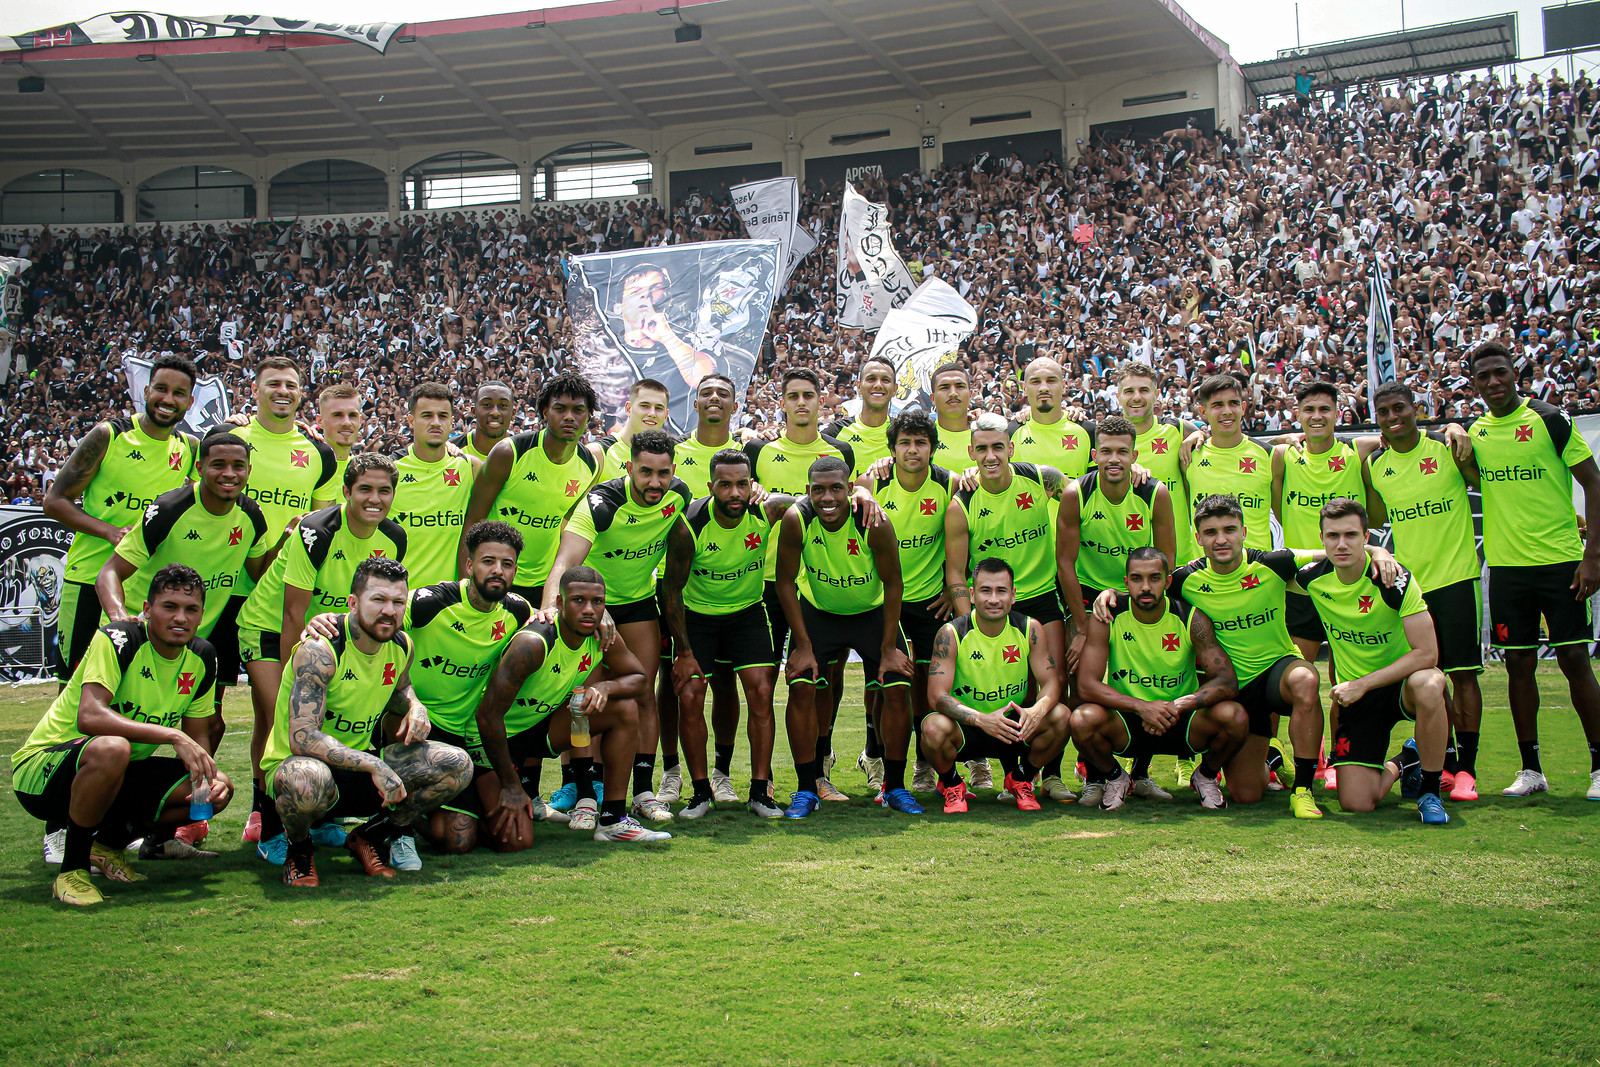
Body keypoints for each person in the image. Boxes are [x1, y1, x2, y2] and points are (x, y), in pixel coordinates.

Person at [10, 564, 233, 905]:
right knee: (113, 748)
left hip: (116, 772)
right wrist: (171, 735)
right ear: (147, 610)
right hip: (43, 772)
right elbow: (89, 715)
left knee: (219, 787)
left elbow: (198, 736)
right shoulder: (118, 639)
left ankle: (108, 847)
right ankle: (72, 872)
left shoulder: (202, 656)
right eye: (169, 607)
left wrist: (207, 781)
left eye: (191, 609)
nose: (180, 618)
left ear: (201, 615)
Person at [261, 557, 474, 887]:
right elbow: (302, 737)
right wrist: (374, 764)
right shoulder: (321, 650)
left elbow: (400, 688)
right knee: (305, 779)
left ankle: (370, 836)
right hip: (304, 768)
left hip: (361, 770)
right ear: (353, 602)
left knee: (457, 765)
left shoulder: (401, 644)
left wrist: (415, 706)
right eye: (378, 599)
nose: (389, 610)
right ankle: (299, 849)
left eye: (398, 602)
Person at [238, 453, 407, 864]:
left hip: (327, 633)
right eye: (364, 489)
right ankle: (268, 822)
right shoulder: (317, 530)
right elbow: (292, 613)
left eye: (384, 490)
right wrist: (292, 682)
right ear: (346, 491)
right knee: (279, 719)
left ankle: (319, 815)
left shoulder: (394, 537)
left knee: (321, 725)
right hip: (270, 627)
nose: (374, 498)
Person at [1463, 340, 1600, 800]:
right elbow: (1476, 476)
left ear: (1514, 373)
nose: (1493, 382)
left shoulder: (1550, 419)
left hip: (1561, 562)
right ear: (1474, 384)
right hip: (1507, 569)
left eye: (1500, 372)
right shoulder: (1477, 432)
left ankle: (1599, 767)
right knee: (1518, 665)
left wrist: (1593, 556)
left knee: (1574, 660)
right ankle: (1531, 769)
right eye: (1483, 376)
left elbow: (1594, 483)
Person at [543, 428, 691, 824]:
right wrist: (552, 609)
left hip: (639, 604)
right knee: (584, 701)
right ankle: (586, 797)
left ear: (673, 470)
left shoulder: (679, 495)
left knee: (643, 694)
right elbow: (565, 563)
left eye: (663, 473)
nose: (655, 482)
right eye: (646, 472)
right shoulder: (601, 503)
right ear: (629, 468)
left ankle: (643, 793)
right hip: (591, 609)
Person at [229, 356, 339, 844]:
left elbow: (320, 525)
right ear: (254, 390)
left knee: (280, 713)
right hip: (230, 590)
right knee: (221, 715)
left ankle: (273, 811)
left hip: (286, 591)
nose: (282, 391)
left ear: (301, 393)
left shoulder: (317, 453)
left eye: (291, 385)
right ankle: (201, 813)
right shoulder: (232, 439)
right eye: (272, 383)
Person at [475, 565, 668, 842]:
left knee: (624, 708)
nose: (589, 610)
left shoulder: (602, 636)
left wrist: (604, 687)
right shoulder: (534, 642)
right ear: (560, 602)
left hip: (540, 729)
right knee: (512, 840)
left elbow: (639, 678)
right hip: (495, 741)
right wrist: (510, 785)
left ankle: (613, 821)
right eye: (578, 600)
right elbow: (487, 716)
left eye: (597, 602)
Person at [775, 456, 920, 817]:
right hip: (820, 613)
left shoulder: (873, 521)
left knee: (897, 686)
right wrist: (802, 645)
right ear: (808, 490)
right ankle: (806, 789)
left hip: (870, 614)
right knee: (801, 686)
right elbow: (785, 582)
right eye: (819, 489)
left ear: (850, 488)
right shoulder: (797, 519)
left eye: (836, 488)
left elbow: (893, 583)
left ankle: (894, 787)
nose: (828, 497)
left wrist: (888, 648)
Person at [744, 368, 863, 800]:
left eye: (808, 395)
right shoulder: (757, 449)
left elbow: (853, 497)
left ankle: (818, 772)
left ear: (820, 401)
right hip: (764, 583)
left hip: (814, 587)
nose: (801, 403)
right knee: (763, 686)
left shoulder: (839, 450)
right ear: (781, 402)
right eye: (792, 395)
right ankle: (763, 779)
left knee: (820, 680)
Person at [45, 352, 197, 686]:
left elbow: (231, 462)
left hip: (146, 589)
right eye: (161, 389)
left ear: (189, 402)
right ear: (146, 391)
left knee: (130, 687)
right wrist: (111, 532)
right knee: (73, 685)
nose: (168, 399)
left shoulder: (189, 448)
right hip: (89, 577)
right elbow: (54, 502)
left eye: (178, 393)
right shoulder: (110, 435)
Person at [1365, 381, 1485, 801]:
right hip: (1412, 590)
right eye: (1384, 412)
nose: (1393, 417)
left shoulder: (1446, 448)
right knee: (1429, 678)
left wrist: (1454, 427)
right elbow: (1375, 516)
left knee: (1463, 675)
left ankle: (1467, 770)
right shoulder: (1376, 465)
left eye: (1400, 408)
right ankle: (1444, 762)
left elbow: (1485, 481)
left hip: (1456, 578)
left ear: (1416, 408)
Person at [96, 432, 273, 716]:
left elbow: (260, 576)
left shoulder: (251, 515)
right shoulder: (169, 508)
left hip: (190, 641)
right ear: (200, 468)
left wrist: (288, 540)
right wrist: (120, 619)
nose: (229, 473)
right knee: (119, 721)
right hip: (138, 635)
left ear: (249, 470)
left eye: (238, 466)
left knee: (210, 723)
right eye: (218, 465)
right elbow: (109, 572)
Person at [1297, 499, 1451, 823]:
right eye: (1333, 536)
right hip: (1359, 699)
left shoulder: (1394, 579)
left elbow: (1428, 653)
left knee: (1431, 681)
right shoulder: (1310, 579)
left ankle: (1430, 792)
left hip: (1401, 685)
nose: (1342, 544)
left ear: (1366, 536)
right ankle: (1406, 760)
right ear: (1322, 539)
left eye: (1351, 535)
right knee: (1357, 803)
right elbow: (1258, 561)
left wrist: (1362, 684)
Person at [662, 448, 790, 818]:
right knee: (690, 695)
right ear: (710, 486)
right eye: (725, 485)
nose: (734, 493)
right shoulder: (689, 526)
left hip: (747, 614)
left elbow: (814, 501)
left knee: (762, 692)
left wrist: (862, 495)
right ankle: (701, 793)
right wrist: (684, 652)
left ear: (752, 485)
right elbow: (671, 590)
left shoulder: (766, 510)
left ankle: (760, 793)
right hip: (698, 617)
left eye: (741, 484)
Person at [1072, 547, 1249, 811]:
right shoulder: (1108, 617)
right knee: (1081, 719)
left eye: (1154, 578)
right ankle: (1117, 777)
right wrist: (1142, 706)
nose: (1146, 587)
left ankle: (1206, 775)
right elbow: (1086, 685)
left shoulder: (1191, 617)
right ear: (1126, 583)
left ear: (1167, 581)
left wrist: (1176, 706)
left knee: (1235, 716)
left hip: (1180, 719)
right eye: (1137, 579)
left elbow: (1226, 681)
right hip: (1129, 721)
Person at [1055, 415, 1176, 799]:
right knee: (1079, 681)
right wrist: (1081, 626)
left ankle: (1139, 773)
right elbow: (1065, 563)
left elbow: (1167, 560)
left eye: (1122, 452)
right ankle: (1095, 776)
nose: (1113, 459)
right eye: (1106, 451)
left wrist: (1137, 599)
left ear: (1134, 455)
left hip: (1138, 593)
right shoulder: (1076, 493)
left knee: (1145, 676)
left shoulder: (1155, 493)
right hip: (1088, 595)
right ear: (1094, 455)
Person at [398, 521, 538, 852]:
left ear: (515, 571)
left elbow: (556, 622)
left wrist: (602, 618)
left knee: (516, 840)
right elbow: (377, 618)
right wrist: (329, 622)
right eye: (488, 561)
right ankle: (398, 821)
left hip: (470, 738)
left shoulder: (518, 611)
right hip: (417, 729)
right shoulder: (430, 602)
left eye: (507, 564)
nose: (498, 570)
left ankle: (456, 808)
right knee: (458, 841)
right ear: (469, 566)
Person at [948, 411, 1066, 792]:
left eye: (998, 447)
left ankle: (1048, 776)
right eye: (982, 449)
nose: (990, 456)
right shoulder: (962, 502)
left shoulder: (1041, 478)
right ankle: (994, 765)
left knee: (1052, 685)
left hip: (1041, 596)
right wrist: (969, 625)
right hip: (992, 606)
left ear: (1011, 449)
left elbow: (1083, 494)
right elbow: (956, 572)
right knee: (995, 684)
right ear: (971, 453)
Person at [862, 407, 969, 794]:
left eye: (920, 443)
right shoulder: (874, 482)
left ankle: (925, 765)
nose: (912, 450)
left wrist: (952, 587)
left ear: (932, 448)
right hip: (881, 601)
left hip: (928, 602)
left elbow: (965, 536)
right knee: (885, 686)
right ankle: (876, 757)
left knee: (927, 687)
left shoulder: (950, 484)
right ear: (892, 448)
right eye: (904, 442)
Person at [655, 373, 747, 807]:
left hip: (736, 583)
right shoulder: (676, 452)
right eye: (705, 392)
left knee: (726, 680)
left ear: (734, 405)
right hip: (672, 585)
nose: (714, 398)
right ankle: (671, 771)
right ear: (694, 403)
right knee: (673, 681)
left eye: (722, 393)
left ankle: (722, 774)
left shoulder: (749, 452)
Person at [922, 557, 1070, 813]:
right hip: (968, 726)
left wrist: (1038, 710)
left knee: (1061, 716)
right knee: (932, 727)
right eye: (985, 591)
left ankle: (1021, 779)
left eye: (1001, 591)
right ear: (972, 594)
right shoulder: (951, 633)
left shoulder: (1030, 628)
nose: (993, 599)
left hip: (1012, 726)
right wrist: (982, 719)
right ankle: (952, 783)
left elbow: (1051, 683)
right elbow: (936, 696)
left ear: (1013, 595)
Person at [462, 371, 604, 604]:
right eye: (560, 409)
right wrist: (465, 587)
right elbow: (473, 520)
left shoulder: (590, 465)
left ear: (589, 416)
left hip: (543, 583)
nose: (569, 417)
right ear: (546, 412)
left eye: (578, 410)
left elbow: (566, 523)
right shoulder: (509, 453)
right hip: (496, 578)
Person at [392, 382, 478, 588]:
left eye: (443, 416)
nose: (436, 423)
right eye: (427, 415)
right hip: (400, 596)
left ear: (451, 422)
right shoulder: (391, 470)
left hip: (449, 598)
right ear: (411, 421)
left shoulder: (469, 467)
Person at [1185, 374, 1273, 550]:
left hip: (1258, 564)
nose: (1227, 411)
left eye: (1233, 403)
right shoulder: (1189, 456)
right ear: (1203, 411)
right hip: (1205, 563)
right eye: (1217, 405)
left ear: (1243, 407)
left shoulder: (1269, 455)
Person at [1007, 355, 1095, 477]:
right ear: (1024, 388)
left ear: (1064, 386)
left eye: (1051, 380)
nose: (1043, 388)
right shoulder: (1010, 434)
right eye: (1035, 381)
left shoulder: (1088, 431)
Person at [823, 355, 897, 477]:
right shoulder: (834, 432)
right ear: (859, 387)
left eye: (885, 380)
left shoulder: (904, 433)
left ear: (894, 389)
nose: (878, 385)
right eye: (871, 379)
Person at [598, 379, 672, 479]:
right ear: (628, 408)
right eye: (644, 406)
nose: (652, 413)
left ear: (666, 415)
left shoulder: (671, 457)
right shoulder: (600, 453)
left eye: (659, 408)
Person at [314, 382, 365, 490]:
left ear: (360, 421)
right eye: (337, 415)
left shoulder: (365, 474)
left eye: (352, 415)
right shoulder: (305, 466)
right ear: (320, 421)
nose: (346, 422)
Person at [450, 380, 515, 464]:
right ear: (474, 411)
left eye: (503, 405)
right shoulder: (451, 451)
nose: (495, 413)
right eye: (487, 405)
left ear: (513, 413)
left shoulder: (525, 453)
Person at [927, 362, 975, 470]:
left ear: (970, 394)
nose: (953, 393)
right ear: (933, 398)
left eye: (960, 386)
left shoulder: (988, 435)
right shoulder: (922, 437)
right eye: (944, 387)